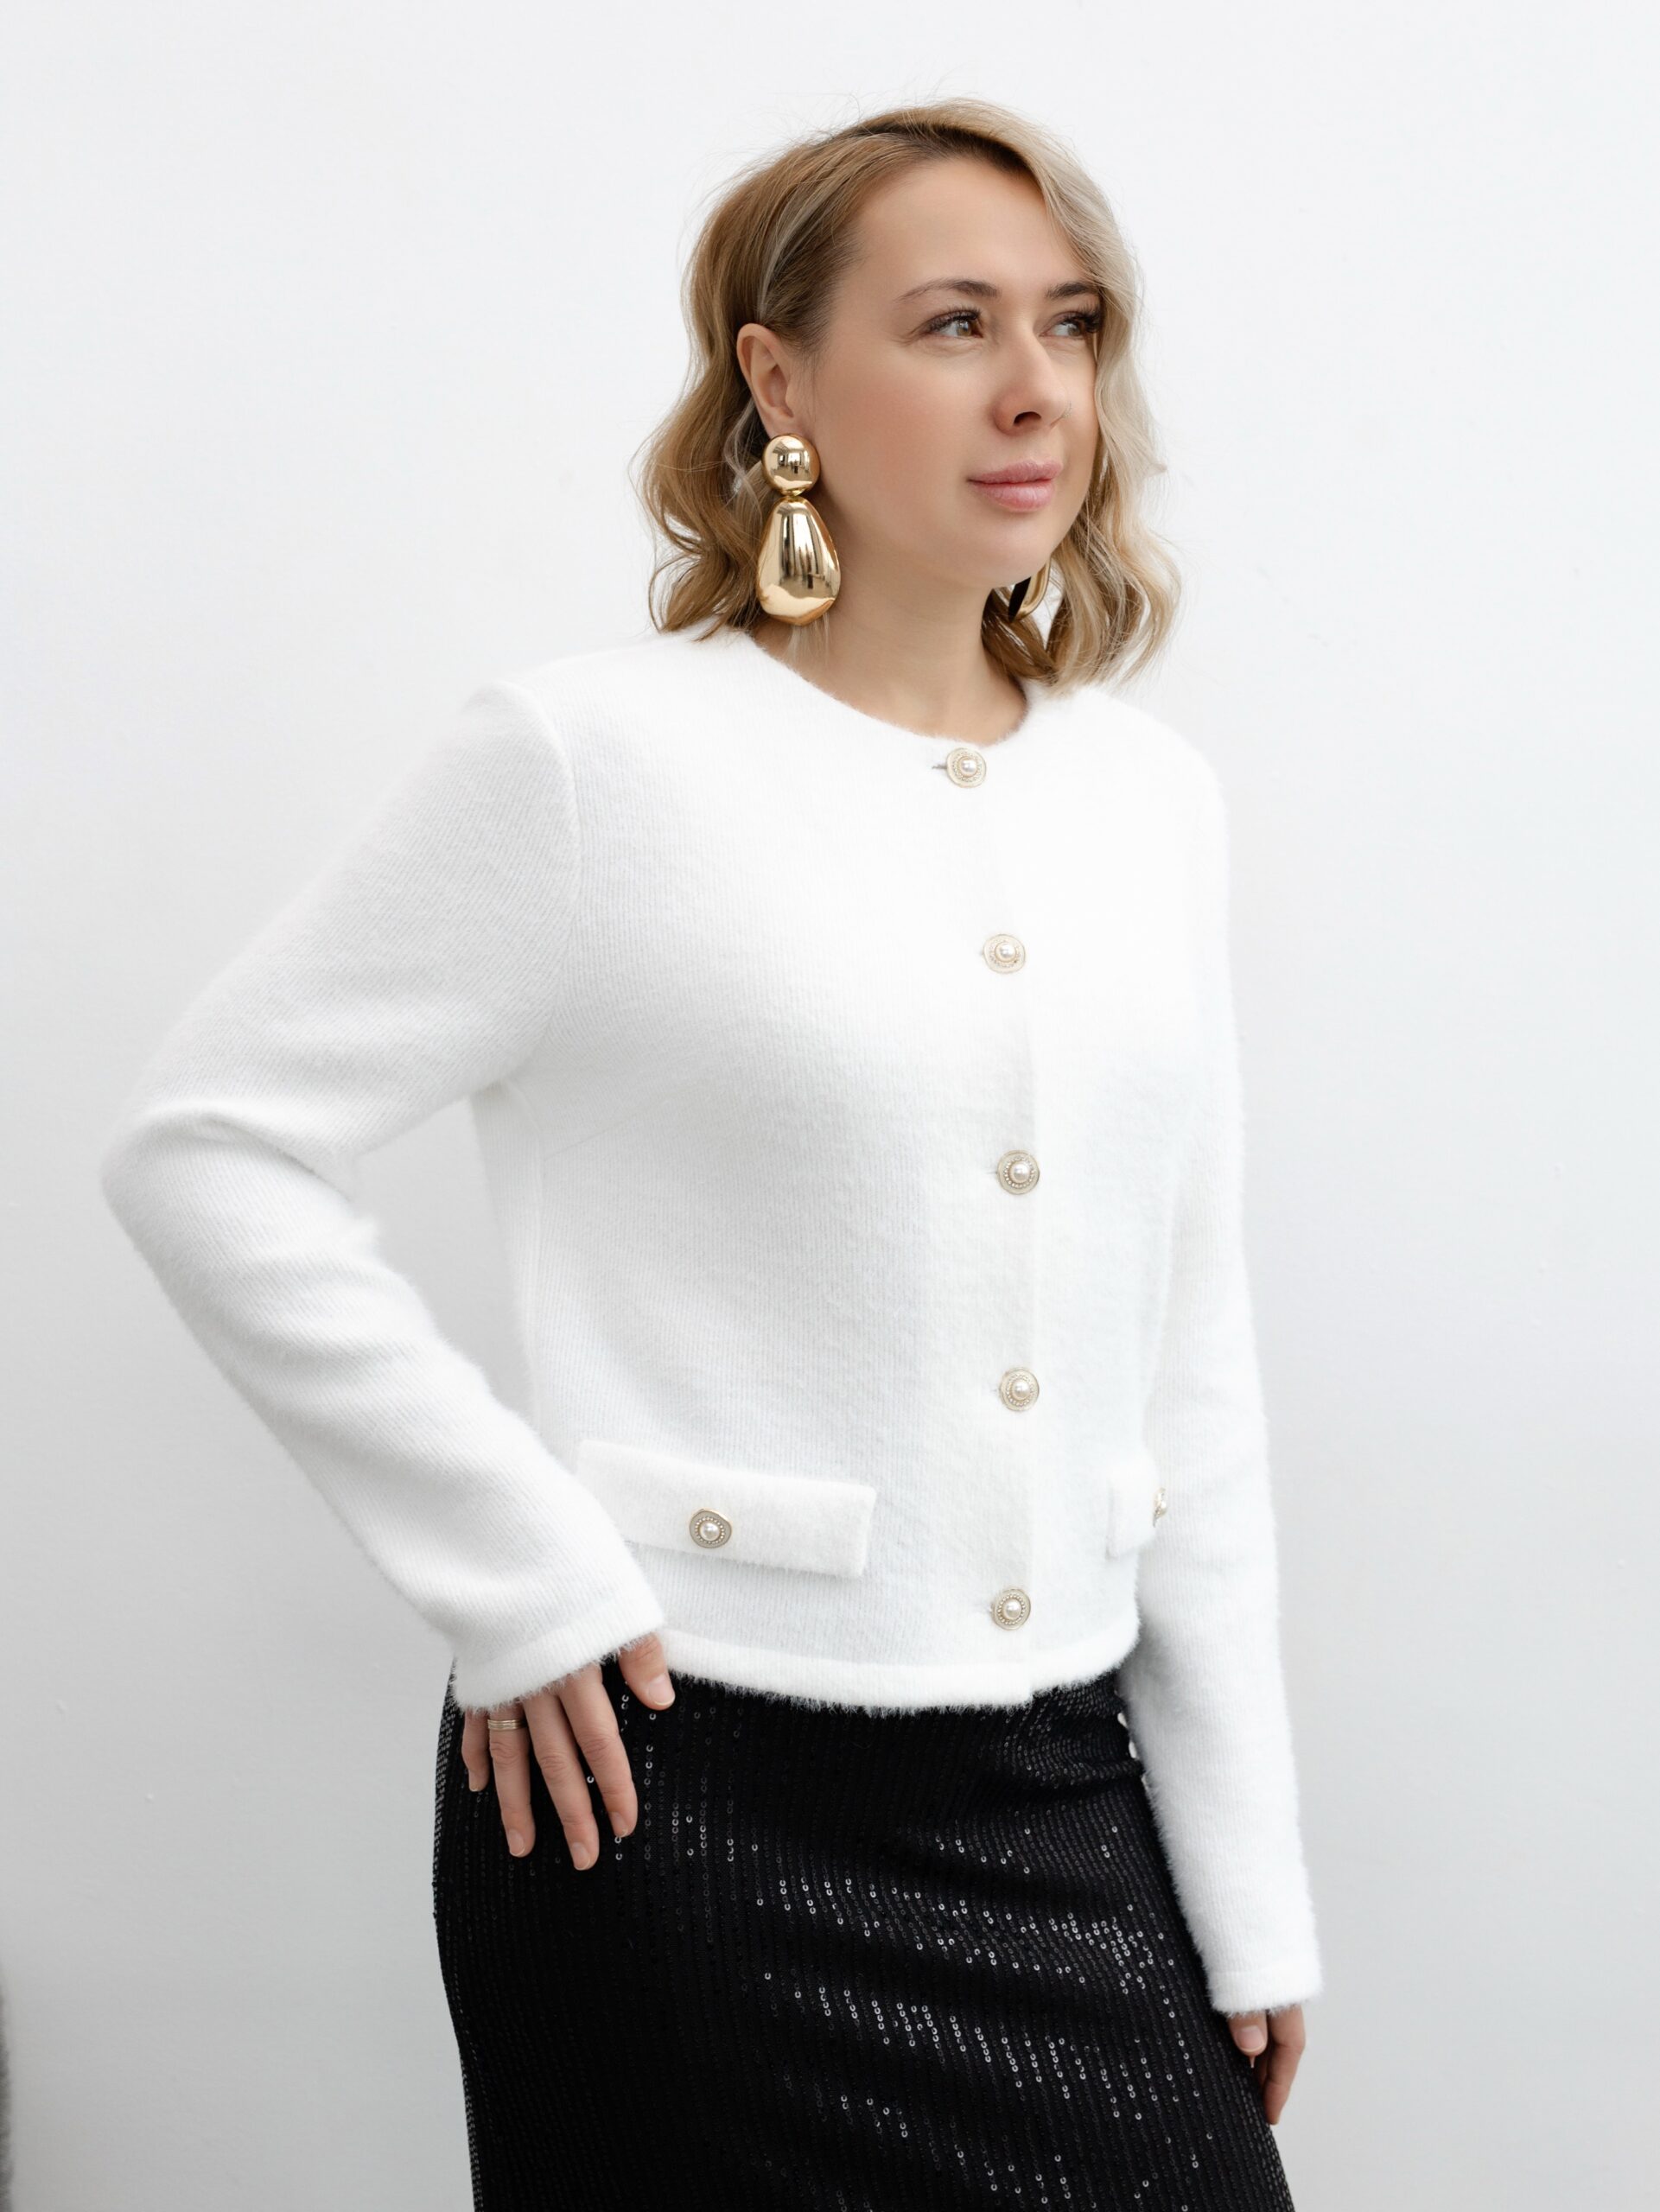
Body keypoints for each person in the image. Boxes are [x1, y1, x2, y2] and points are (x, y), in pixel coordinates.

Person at [100, 96, 1322, 2209]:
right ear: (780, 378)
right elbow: (207, 1143)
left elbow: (1185, 1358)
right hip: (668, 1787)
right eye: (952, 323)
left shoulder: (1150, 802)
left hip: (1065, 1778)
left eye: (1071, 324)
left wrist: (1248, 1877)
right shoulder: (592, 763)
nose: (1037, 389)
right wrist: (520, 1570)